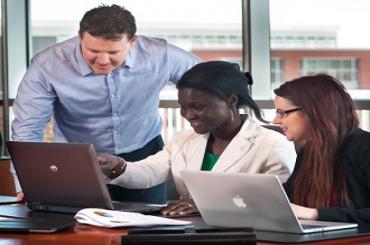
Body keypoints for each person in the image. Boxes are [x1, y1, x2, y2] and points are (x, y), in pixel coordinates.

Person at [11, 4, 200, 203]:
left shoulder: (161, 55)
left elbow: (212, 80)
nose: (102, 60)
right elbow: (27, 128)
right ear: (79, 37)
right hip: (77, 157)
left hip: (144, 153)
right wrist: (27, 182)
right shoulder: (47, 64)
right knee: (77, 227)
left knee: (147, 227)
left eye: (113, 52)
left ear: (133, 42)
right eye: (92, 50)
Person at [97, 61, 296, 216]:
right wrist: (116, 165)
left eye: (198, 107)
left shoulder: (273, 144)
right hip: (188, 230)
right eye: (183, 106)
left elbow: (273, 203)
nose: (188, 115)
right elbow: (150, 172)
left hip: (244, 233)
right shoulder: (183, 139)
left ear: (231, 100)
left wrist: (205, 206)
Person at [273, 74, 370, 224]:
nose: (275, 121)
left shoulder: (364, 146)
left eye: (282, 113)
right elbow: (290, 198)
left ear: (313, 111)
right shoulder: (310, 151)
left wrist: (315, 214)